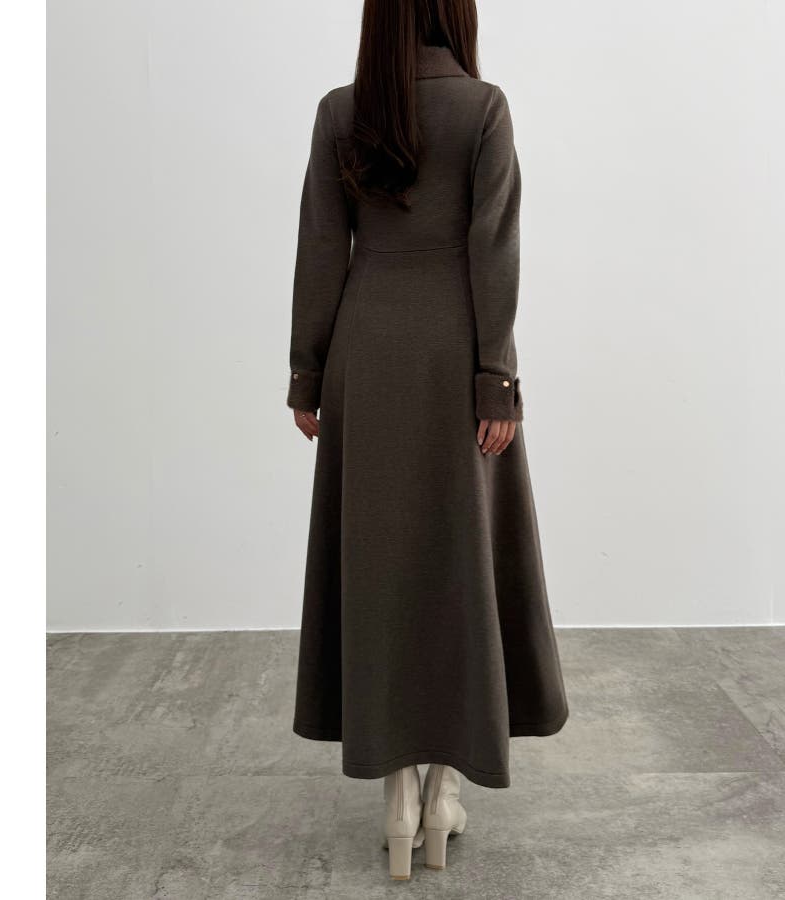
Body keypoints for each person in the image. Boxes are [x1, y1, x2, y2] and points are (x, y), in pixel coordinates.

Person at [286, 0, 569, 880]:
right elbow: (494, 250)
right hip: (454, 356)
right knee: (461, 561)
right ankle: (443, 790)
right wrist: (497, 380)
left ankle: (397, 798)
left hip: (364, 353)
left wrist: (306, 374)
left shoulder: (341, 111)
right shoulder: (483, 108)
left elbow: (321, 247)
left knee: (380, 565)